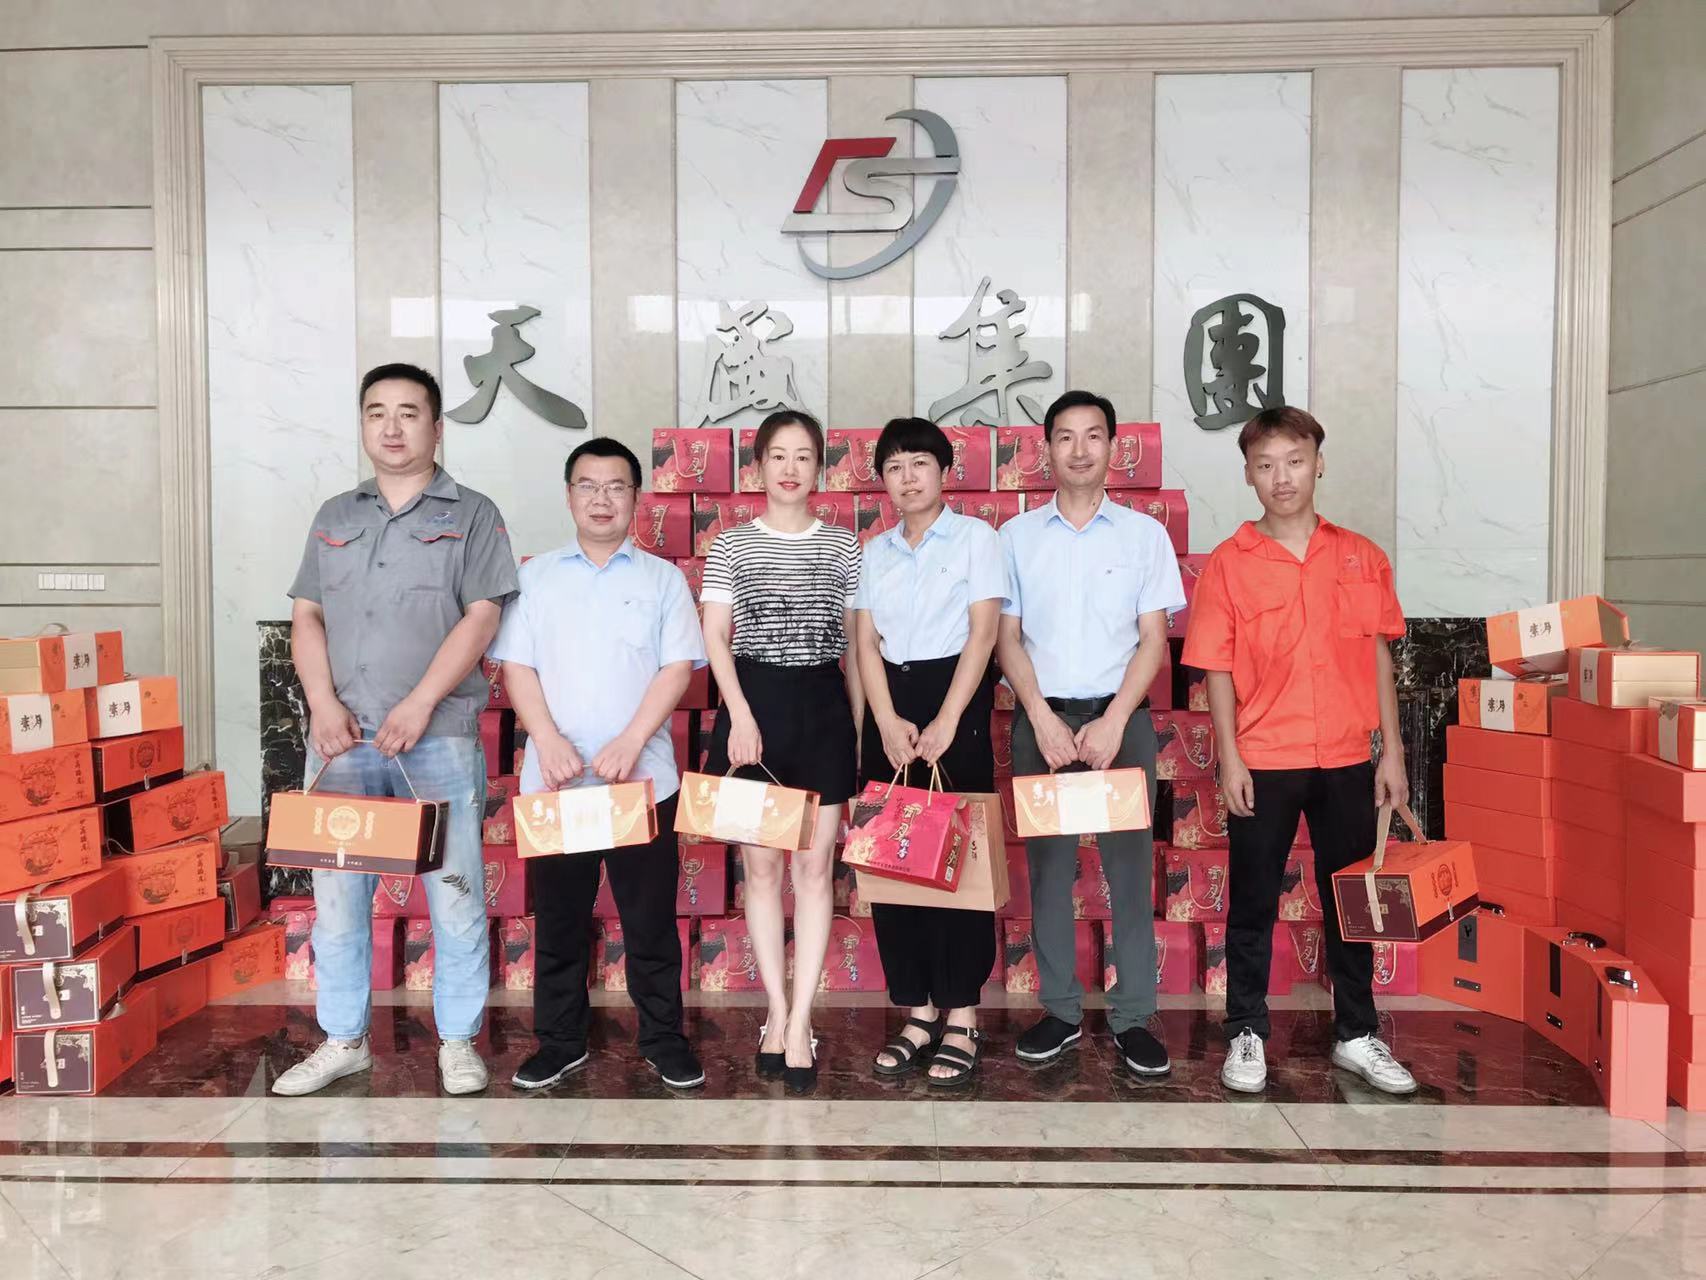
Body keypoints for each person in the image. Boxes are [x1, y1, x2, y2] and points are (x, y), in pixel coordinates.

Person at [277, 362, 518, 1097]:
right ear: (362, 424)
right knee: (337, 900)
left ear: (436, 429)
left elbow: (483, 615)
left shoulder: (472, 513)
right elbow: (307, 616)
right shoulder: (334, 515)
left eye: (408, 413)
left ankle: (458, 1042)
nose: (391, 426)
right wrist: (321, 704)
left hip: (435, 736)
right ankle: (343, 1039)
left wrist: (419, 703)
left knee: (456, 893)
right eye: (376, 412)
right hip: (341, 741)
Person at [1181, 405, 1416, 1095]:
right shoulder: (1229, 565)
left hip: (1347, 756)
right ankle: (1246, 1031)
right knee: (1252, 901)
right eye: (1265, 465)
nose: (1281, 477)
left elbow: (1378, 658)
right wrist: (1229, 757)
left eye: (1294, 460)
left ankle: (1357, 1033)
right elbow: (1216, 668)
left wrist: (1392, 752)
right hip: (1265, 757)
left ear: (1319, 463)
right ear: (1248, 475)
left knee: (1351, 902)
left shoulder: (1361, 556)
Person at [491, 437, 708, 1091]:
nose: (602, 499)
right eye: (588, 486)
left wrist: (632, 740)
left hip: (641, 783)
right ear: (569, 496)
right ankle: (560, 1042)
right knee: (559, 921)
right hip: (557, 783)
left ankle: (663, 1039)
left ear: (636, 498)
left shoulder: (662, 579)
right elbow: (516, 666)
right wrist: (546, 739)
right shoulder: (535, 577)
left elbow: (677, 668)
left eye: (616, 486)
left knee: (649, 922)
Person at [996, 389, 1185, 1078]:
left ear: (1113, 447)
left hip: (1120, 723)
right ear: (1046, 448)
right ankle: (1060, 1011)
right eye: (1066, 437)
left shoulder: (1143, 536)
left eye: (1093, 436)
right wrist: (1042, 718)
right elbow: (1006, 638)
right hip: (1042, 723)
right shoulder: (1015, 538)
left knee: (1129, 875)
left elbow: (1153, 640)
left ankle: (1133, 1016)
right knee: (1048, 873)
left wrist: (1113, 721)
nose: (1080, 450)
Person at [700, 409, 863, 1094]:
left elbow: (857, 649)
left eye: (803, 456)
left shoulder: (845, 547)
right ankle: (774, 1009)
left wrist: (857, 734)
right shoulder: (731, 546)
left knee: (815, 871)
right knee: (762, 872)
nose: (790, 468)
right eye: (778, 456)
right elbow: (715, 637)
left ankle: (801, 1021)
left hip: (822, 710)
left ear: (820, 469)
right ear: (758, 466)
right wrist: (739, 715)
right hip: (753, 712)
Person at [853, 417, 1006, 1088]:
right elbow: (864, 643)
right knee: (893, 863)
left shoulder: (977, 539)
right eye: (894, 467)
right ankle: (916, 1012)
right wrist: (885, 721)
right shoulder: (873, 552)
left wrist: (948, 718)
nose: (907, 477)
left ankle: (962, 1014)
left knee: (957, 864)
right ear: (882, 481)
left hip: (956, 704)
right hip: (890, 706)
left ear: (945, 472)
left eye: (919, 463)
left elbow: (983, 635)